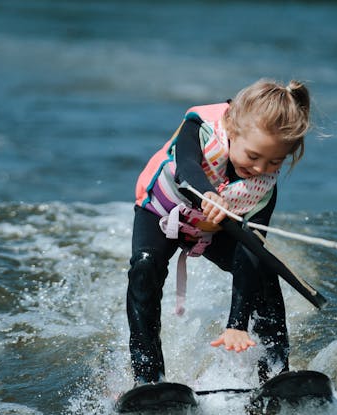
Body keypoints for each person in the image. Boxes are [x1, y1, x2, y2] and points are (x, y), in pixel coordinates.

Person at [127, 79, 312, 386]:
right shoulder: (201, 128)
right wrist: (207, 193)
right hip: (162, 213)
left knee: (264, 272)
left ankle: (276, 371)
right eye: (253, 157)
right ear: (232, 127)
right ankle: (148, 377)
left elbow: (250, 251)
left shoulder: (263, 190)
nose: (261, 168)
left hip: (212, 229)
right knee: (145, 265)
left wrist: (236, 324)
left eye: (274, 161)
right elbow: (186, 164)